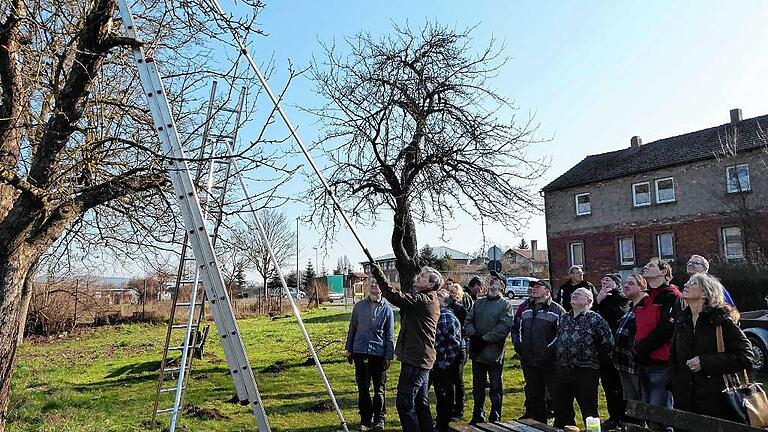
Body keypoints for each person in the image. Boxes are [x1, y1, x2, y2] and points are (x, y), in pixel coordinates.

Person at [669, 272, 754, 421]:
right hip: (685, 402)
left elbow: (746, 356)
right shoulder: (682, 321)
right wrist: (673, 384)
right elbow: (674, 357)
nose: (685, 285)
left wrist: (705, 362)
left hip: (717, 402)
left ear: (705, 293)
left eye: (693, 283)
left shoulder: (721, 321)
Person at [373, 265, 442, 432]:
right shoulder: (425, 299)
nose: (419, 277)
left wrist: (379, 274)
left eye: (423, 277)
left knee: (404, 404)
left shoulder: (425, 301)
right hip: (419, 358)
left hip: (417, 359)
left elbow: (395, 297)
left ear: (431, 284)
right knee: (421, 403)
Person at [552, 287, 614, 430]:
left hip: (586, 370)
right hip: (563, 369)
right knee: (561, 407)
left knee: (589, 409)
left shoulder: (596, 319)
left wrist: (593, 359)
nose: (574, 296)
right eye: (573, 294)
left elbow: (608, 343)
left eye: (579, 294)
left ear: (589, 300)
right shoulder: (565, 317)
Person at [635, 258, 682, 430]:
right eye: (646, 265)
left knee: (660, 415)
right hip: (644, 362)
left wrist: (641, 348)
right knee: (650, 413)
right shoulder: (647, 299)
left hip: (661, 363)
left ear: (664, 273)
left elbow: (666, 329)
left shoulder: (672, 296)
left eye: (651, 266)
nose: (646, 267)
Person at [345, 278, 395, 431]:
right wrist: (349, 348)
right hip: (360, 351)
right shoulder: (359, 306)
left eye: (377, 283)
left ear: (383, 288)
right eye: (372, 283)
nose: (374, 285)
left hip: (378, 353)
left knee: (379, 388)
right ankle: (365, 419)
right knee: (363, 388)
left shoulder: (387, 309)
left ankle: (379, 418)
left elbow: (389, 335)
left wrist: (388, 355)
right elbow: (352, 327)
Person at [512, 279, 565, 423]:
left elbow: (561, 335)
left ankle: (561, 422)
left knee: (556, 394)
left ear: (547, 291)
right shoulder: (526, 309)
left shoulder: (557, 310)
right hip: (529, 360)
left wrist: (548, 351)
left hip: (549, 362)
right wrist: (520, 347)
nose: (533, 289)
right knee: (534, 394)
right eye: (532, 287)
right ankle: (537, 422)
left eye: (537, 287)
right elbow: (517, 330)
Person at [465, 271, 514, 424]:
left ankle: (495, 415)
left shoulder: (505, 305)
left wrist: (485, 339)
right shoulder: (478, 303)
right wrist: (473, 336)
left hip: (493, 353)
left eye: (496, 280)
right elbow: (468, 320)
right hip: (477, 352)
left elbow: (503, 327)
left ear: (502, 286)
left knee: (495, 387)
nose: (492, 282)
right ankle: (478, 415)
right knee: (478, 387)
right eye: (491, 280)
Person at [593, 273, 630, 429]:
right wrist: (598, 301)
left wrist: (601, 303)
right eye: (602, 281)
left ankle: (626, 417)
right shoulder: (600, 299)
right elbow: (593, 317)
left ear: (617, 283)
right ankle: (614, 416)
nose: (604, 283)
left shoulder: (623, 300)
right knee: (608, 386)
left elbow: (617, 316)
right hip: (602, 350)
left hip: (619, 349)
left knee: (621, 386)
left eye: (608, 280)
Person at [613, 274, 648, 404]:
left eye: (631, 283)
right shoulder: (631, 306)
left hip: (636, 364)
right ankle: (635, 424)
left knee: (642, 400)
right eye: (625, 283)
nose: (626, 286)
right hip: (624, 362)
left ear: (642, 287)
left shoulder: (644, 306)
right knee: (631, 402)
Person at [431, 290, 463, 432]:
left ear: (443, 301)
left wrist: (443, 360)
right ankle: (440, 421)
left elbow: (454, 343)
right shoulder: (434, 314)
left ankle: (443, 424)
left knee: (445, 394)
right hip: (433, 361)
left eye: (437, 297)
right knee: (439, 393)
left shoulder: (446, 316)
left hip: (443, 362)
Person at [447, 283, 469, 419]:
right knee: (448, 380)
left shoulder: (461, 310)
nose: (452, 295)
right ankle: (450, 407)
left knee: (457, 378)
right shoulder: (446, 307)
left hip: (459, 347)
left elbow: (465, 329)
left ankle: (459, 409)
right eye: (450, 292)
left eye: (454, 292)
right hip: (446, 348)